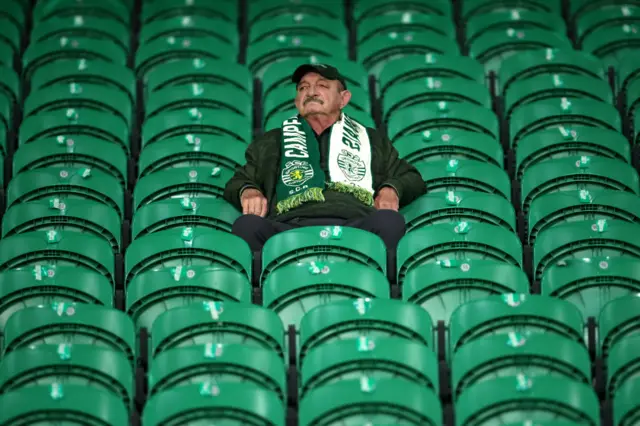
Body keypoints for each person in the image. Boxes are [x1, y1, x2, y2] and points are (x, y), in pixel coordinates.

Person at [223, 63, 426, 283]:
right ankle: (273, 287)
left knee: (389, 222)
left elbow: (410, 176)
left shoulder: (371, 139)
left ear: (343, 98)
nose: (310, 92)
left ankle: (376, 285)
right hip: (287, 226)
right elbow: (239, 179)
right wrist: (248, 190)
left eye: (322, 86)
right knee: (247, 226)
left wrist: (391, 189)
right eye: (303, 88)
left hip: (356, 223)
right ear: (296, 100)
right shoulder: (272, 141)